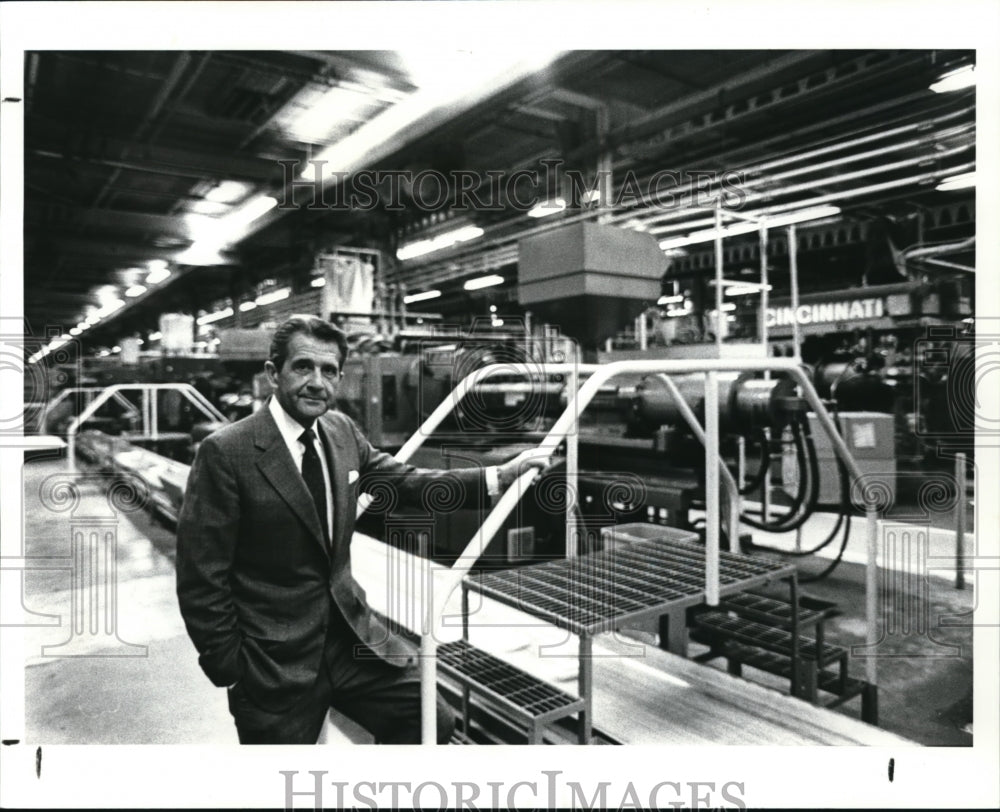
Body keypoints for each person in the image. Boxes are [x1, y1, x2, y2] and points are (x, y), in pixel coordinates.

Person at [176, 314, 548, 744]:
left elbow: (406, 481)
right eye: (303, 367)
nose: (317, 382)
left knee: (429, 720)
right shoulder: (226, 452)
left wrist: (496, 477)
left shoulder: (340, 432)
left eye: (329, 371)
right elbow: (201, 575)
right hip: (273, 659)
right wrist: (231, 667)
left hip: (352, 640)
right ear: (273, 374)